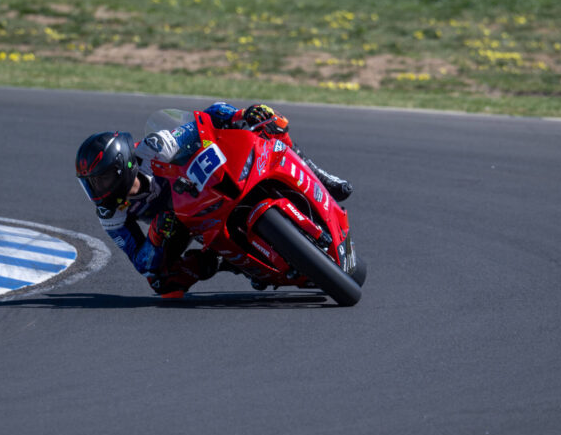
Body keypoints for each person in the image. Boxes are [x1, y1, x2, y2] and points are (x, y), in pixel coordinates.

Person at [75, 103, 353, 298]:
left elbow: (204, 120)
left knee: (266, 123)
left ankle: (322, 177)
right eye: (90, 183)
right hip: (180, 222)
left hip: (202, 184)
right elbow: (141, 262)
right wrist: (157, 237)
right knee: (161, 283)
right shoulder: (110, 213)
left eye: (100, 180)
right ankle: (223, 261)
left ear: (122, 166)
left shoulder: (153, 148)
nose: (96, 190)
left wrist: (240, 115)